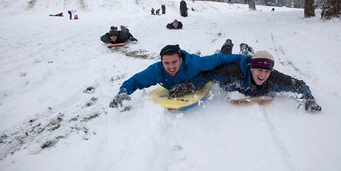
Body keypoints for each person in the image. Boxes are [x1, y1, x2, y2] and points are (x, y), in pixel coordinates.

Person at [179, 50, 322, 112]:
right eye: (259, 70)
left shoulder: (273, 78)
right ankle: (226, 46)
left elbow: (300, 85)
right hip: (227, 65)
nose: (263, 75)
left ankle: (245, 49)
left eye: (266, 71)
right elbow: (207, 75)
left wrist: (308, 97)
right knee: (222, 55)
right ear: (251, 68)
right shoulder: (233, 73)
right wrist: (189, 86)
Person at [109, 44, 244, 108]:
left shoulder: (194, 63)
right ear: (161, 62)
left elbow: (217, 60)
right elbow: (136, 80)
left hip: (201, 77)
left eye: (174, 62)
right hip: (183, 83)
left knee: (220, 64)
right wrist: (123, 91)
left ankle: (227, 48)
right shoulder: (157, 70)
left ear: (181, 60)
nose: (171, 66)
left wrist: (245, 58)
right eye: (166, 63)